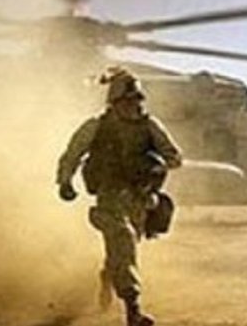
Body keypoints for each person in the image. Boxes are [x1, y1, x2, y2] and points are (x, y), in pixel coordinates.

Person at [56, 68, 182, 326]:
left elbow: (175, 157)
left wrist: (158, 166)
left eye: (137, 100)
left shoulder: (150, 126)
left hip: (138, 198)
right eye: (127, 101)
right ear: (114, 102)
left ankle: (108, 276)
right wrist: (65, 181)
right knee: (122, 238)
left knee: (124, 248)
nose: (133, 105)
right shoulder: (96, 126)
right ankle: (133, 308)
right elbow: (72, 154)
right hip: (109, 196)